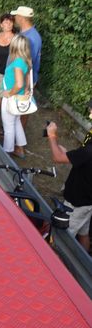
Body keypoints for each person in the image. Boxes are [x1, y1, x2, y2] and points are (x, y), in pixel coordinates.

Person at [45, 101, 92, 251]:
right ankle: (85, 264)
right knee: (84, 234)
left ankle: (62, 264)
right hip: (87, 200)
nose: (90, 114)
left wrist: (52, 136)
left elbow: (57, 158)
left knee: (63, 238)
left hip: (78, 202)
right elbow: (84, 159)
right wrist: (70, 155)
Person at [0, 34, 32, 158]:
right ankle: (20, 148)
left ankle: (6, 153)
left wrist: (9, 93)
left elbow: (18, 84)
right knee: (16, 121)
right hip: (19, 98)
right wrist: (26, 89)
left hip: (12, 98)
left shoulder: (18, 62)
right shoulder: (26, 60)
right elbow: (27, 78)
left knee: (8, 126)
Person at [11, 6, 42, 85]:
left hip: (22, 81)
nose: (15, 18)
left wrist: (25, 85)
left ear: (21, 18)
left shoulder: (32, 37)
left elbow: (29, 63)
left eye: (16, 16)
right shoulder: (23, 32)